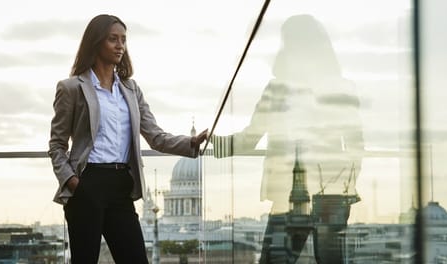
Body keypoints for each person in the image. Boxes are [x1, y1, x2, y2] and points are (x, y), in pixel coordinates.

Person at [48, 14, 208, 263]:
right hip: (87, 183)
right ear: (96, 42)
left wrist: (191, 144)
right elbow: (57, 144)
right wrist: (72, 182)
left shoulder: (131, 89)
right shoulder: (71, 88)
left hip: (121, 185)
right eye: (113, 39)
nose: (120, 45)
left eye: (123, 39)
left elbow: (155, 137)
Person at [211, 14, 364, 264]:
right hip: (313, 194)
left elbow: (248, 139)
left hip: (314, 193)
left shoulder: (281, 89)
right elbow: (356, 146)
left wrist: (347, 185)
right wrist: (209, 145)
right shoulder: (332, 87)